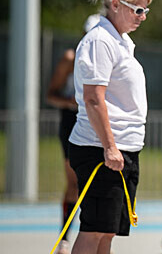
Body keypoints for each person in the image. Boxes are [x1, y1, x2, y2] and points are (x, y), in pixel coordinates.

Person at [68, 0, 151, 254]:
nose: (142, 17)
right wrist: (110, 147)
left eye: (145, 10)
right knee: (94, 230)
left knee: (108, 232)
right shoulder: (100, 40)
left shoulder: (121, 41)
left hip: (123, 148)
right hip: (100, 149)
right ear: (115, 4)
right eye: (137, 10)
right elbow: (93, 98)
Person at [45, 14, 101, 254]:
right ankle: (64, 238)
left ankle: (95, 238)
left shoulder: (113, 55)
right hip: (73, 120)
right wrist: (70, 102)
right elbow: (51, 94)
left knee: (99, 182)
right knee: (74, 182)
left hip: (99, 120)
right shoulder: (71, 58)